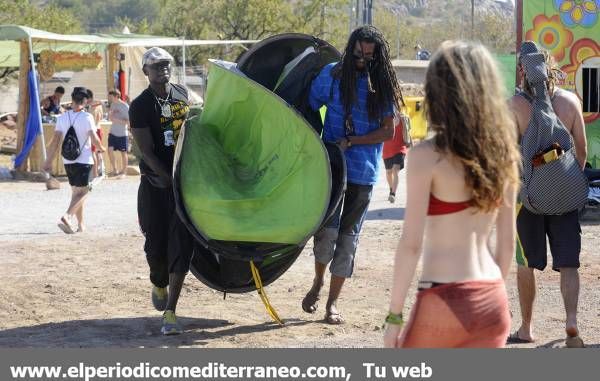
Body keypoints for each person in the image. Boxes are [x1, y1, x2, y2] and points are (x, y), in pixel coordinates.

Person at [383, 41, 520, 348]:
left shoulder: (426, 157)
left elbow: (410, 245)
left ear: (437, 93)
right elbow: (507, 245)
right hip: (492, 297)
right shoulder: (505, 156)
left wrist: (394, 317)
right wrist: (489, 297)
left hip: (443, 295)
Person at [302, 26, 402, 324]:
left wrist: (353, 141)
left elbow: (388, 130)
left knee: (348, 239)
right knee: (326, 233)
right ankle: (318, 282)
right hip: (331, 168)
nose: (363, 59)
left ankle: (332, 303)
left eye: (370, 56)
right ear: (351, 49)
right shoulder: (332, 75)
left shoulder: (382, 85)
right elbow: (309, 105)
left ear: (378, 56)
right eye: (359, 53)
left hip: (363, 174)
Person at [507, 43, 587, 348]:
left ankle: (526, 328)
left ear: (522, 70)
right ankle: (571, 321)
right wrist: (565, 181)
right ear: (549, 65)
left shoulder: (514, 105)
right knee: (569, 263)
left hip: (528, 198)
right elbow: (581, 150)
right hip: (566, 195)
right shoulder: (569, 101)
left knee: (526, 263)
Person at [129, 47, 195, 335]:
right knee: (155, 247)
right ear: (146, 71)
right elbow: (146, 151)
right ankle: (159, 280)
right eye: (156, 66)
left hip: (183, 186)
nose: (162, 69)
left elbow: (197, 131)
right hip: (155, 186)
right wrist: (165, 177)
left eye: (166, 64)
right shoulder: (141, 105)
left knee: (181, 243)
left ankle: (171, 311)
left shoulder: (183, 95)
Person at [43, 87, 105, 234]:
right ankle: (67, 216)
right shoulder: (87, 117)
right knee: (85, 191)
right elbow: (94, 138)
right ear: (84, 101)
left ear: (72, 99)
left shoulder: (62, 117)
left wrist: (48, 161)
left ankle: (81, 225)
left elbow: (55, 141)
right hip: (84, 159)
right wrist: (101, 148)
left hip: (68, 160)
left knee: (76, 192)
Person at [383, 114, 408, 203]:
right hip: (387, 150)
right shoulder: (384, 118)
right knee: (389, 172)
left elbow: (407, 133)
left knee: (395, 170)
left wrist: (405, 124)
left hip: (400, 149)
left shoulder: (403, 118)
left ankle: (393, 193)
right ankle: (391, 188)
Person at [107, 89, 130, 178]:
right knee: (110, 150)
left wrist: (116, 120)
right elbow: (111, 117)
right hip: (113, 132)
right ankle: (115, 170)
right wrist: (110, 116)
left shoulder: (125, 106)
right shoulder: (113, 104)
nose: (109, 98)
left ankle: (124, 172)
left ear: (116, 96)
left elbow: (129, 122)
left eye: (111, 96)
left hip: (122, 134)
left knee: (123, 153)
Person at [86, 89, 105, 179]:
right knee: (97, 152)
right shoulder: (99, 105)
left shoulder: (92, 106)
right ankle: (101, 170)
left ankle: (95, 173)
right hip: (99, 129)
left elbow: (92, 120)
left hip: (95, 130)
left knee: (93, 152)